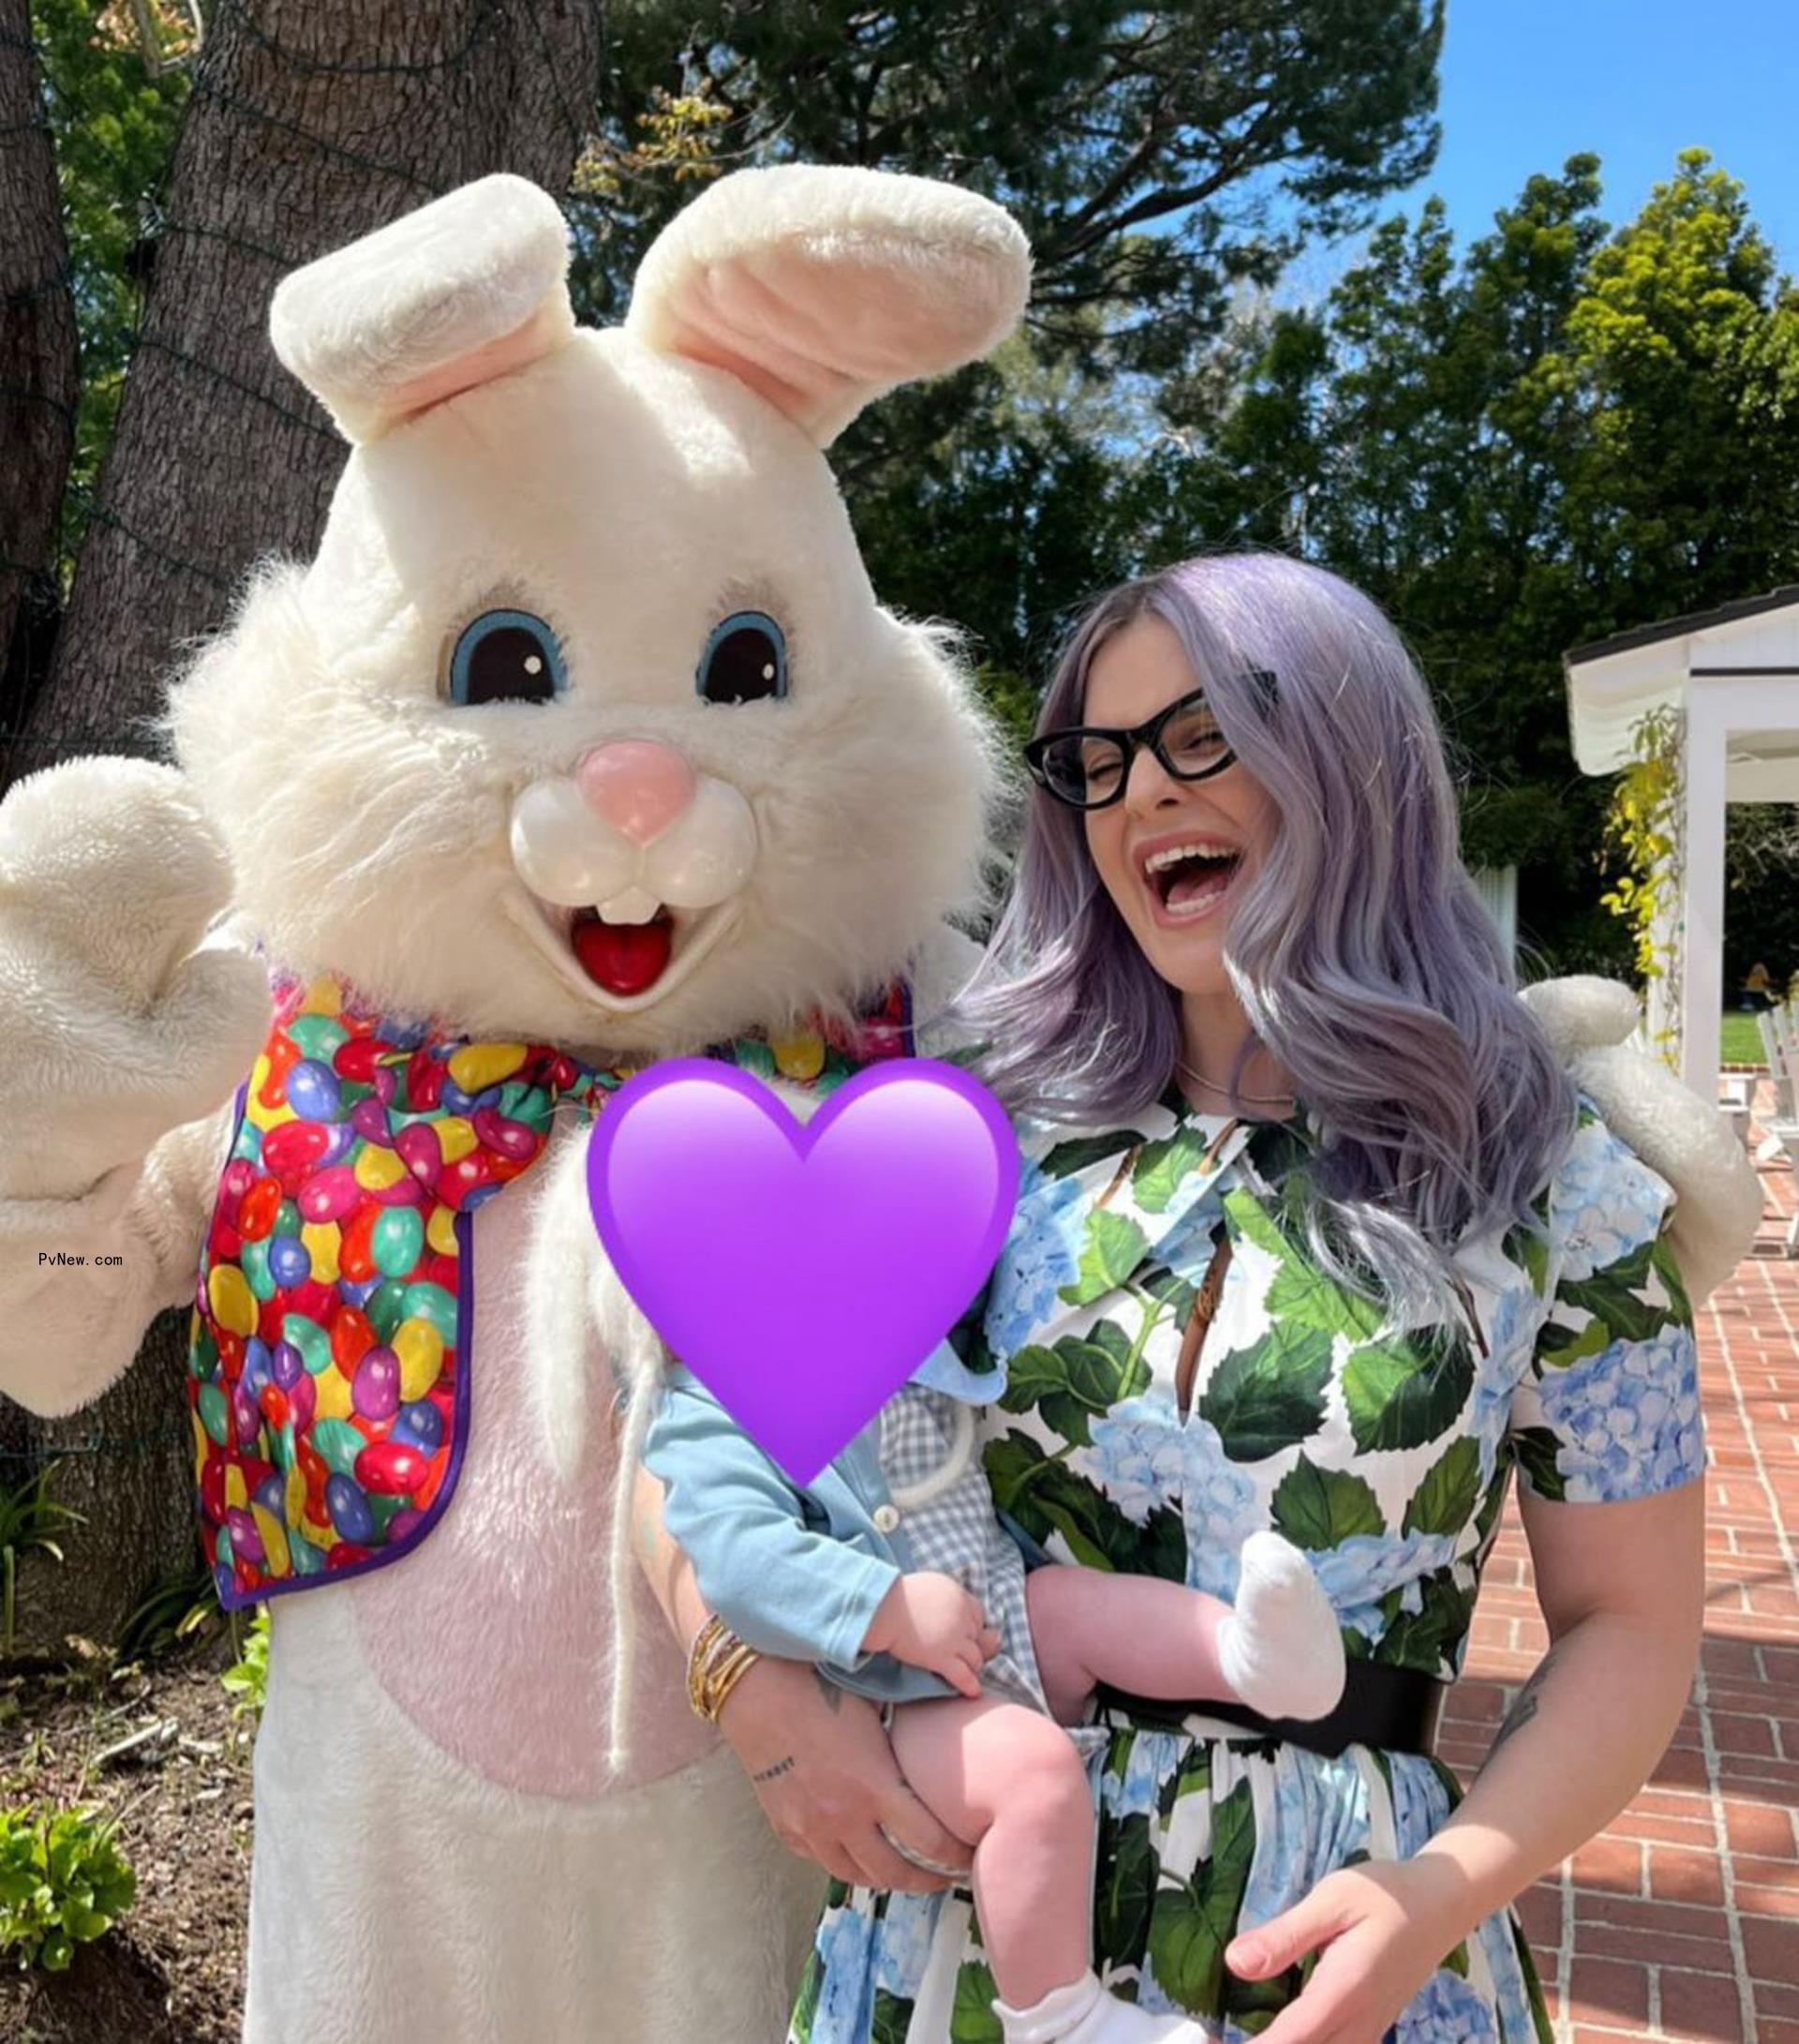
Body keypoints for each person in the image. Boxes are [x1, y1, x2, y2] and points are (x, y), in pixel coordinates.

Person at [632, 553, 1707, 2043]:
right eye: (1100, 759)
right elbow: (697, 1434)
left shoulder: (1553, 1176)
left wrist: (1445, 1893)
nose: (1141, 793)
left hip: (1347, 1949)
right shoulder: (968, 1138)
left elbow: (1630, 1626)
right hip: (970, 1946)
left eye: (1205, 734)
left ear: (1349, 755)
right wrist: (756, 1695)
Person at [637, 1335, 1346, 2044]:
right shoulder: (710, 1399)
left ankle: (1253, 1658)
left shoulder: (886, 1331)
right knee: (1034, 1777)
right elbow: (739, 1561)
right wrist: (883, 1608)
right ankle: (1061, 2015)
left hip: (998, 1605)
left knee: (1085, 1606)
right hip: (898, 1693)